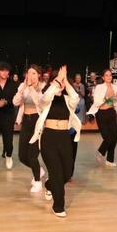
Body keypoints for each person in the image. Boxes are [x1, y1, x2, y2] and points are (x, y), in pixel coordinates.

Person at [29, 66, 81, 218]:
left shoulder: (67, 99)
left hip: (64, 137)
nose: (60, 83)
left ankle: (49, 184)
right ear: (52, 82)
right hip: (49, 138)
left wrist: (66, 82)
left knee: (67, 172)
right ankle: (58, 206)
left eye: (63, 81)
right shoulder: (46, 98)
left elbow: (75, 97)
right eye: (57, 80)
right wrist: (58, 80)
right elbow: (46, 97)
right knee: (57, 173)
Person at [13, 65, 44, 193]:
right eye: (29, 73)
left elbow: (39, 102)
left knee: (32, 155)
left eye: (34, 73)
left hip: (37, 121)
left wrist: (31, 88)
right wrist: (22, 89)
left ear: (39, 75)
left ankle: (37, 181)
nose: (31, 76)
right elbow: (15, 102)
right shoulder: (23, 86)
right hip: (26, 121)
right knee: (22, 156)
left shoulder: (42, 87)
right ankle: (39, 170)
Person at [87, 69, 117, 167]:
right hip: (101, 114)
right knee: (108, 137)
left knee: (114, 137)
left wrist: (109, 100)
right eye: (106, 75)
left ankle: (110, 160)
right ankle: (101, 152)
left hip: (111, 112)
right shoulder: (99, 87)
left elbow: (116, 103)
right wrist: (109, 99)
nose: (109, 77)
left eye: (110, 75)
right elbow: (97, 102)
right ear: (103, 77)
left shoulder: (115, 87)